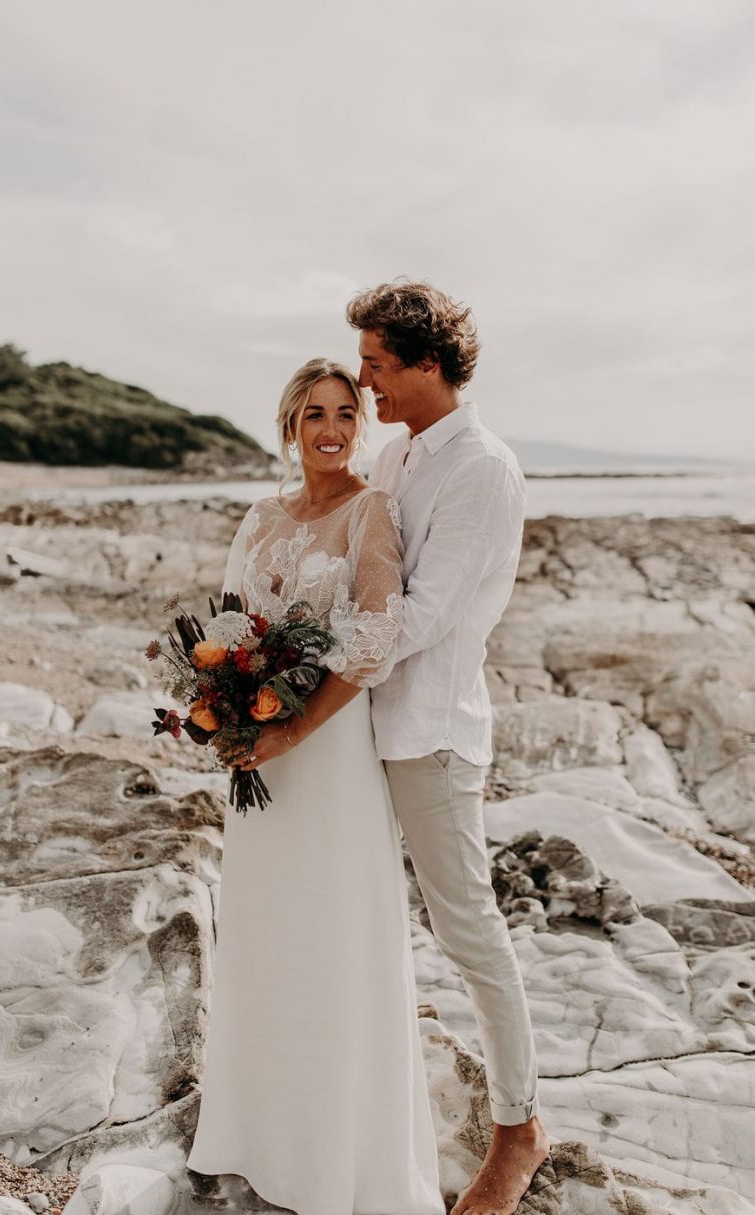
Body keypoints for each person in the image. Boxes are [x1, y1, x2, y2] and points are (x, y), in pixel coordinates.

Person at [186, 359, 445, 1215]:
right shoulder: (261, 516)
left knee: (332, 938)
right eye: (314, 414)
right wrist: (225, 714)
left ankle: (334, 1159)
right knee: (264, 936)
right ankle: (257, 1134)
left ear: (357, 426)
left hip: (327, 758)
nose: (330, 429)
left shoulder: (372, 510)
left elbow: (373, 639)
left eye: (344, 413)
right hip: (258, 754)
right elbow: (226, 623)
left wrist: (293, 726)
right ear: (289, 425)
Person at [347, 280, 550, 1215]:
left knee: (468, 931)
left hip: (430, 735)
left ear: (429, 363)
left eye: (380, 363)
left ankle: (518, 1130)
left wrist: (314, 681)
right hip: (361, 732)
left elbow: (422, 618)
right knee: (362, 921)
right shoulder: (396, 454)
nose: (367, 380)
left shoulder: (483, 467)